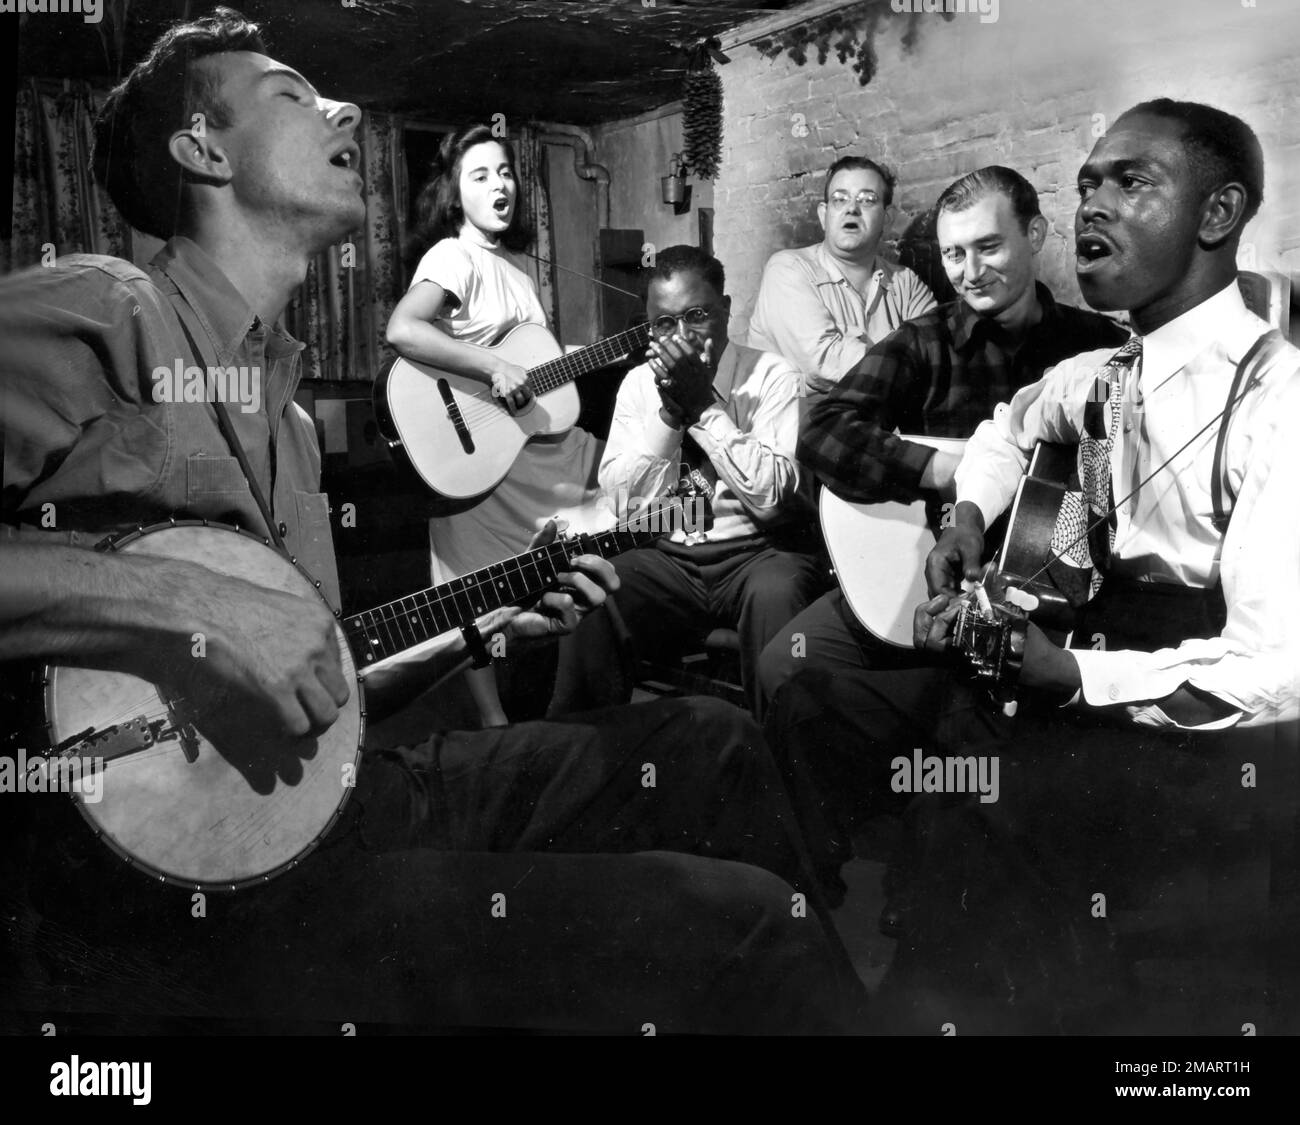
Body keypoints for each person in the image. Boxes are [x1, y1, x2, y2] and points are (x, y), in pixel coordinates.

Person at [0, 7, 861, 1035]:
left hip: (344, 791)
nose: (347, 107)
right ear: (202, 150)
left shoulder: (279, 402)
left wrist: (476, 630)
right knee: (746, 927)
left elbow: (319, 673)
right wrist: (195, 604)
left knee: (715, 740)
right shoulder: (104, 310)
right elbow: (236, 633)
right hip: (182, 873)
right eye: (287, 93)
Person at [769, 100, 1300, 1033]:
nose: (1095, 202)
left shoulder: (1275, 401)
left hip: (1186, 728)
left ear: (1217, 216)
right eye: (1089, 181)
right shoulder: (1099, 370)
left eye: (1130, 182)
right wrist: (969, 514)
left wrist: (1072, 674)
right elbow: (1003, 431)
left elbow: (1277, 669)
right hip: (1062, 670)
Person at [758, 166, 1128, 727]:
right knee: (783, 665)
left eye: (988, 247)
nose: (970, 273)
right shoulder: (922, 341)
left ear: (1034, 235)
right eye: (954, 255)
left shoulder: (1098, 346)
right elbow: (821, 431)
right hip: (927, 582)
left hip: (1057, 597)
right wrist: (944, 470)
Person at [386, 125, 614, 727]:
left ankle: (543, 714)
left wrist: (575, 359)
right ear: (455, 195)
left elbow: (525, 356)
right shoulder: (452, 255)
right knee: (471, 590)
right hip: (476, 455)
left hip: (521, 454)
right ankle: (492, 724)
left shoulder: (514, 265)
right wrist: (492, 365)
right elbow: (404, 330)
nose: (499, 185)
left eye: (506, 172)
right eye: (480, 175)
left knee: (538, 586)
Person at [546, 245, 827, 720]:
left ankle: (782, 757)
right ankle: (581, 748)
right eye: (663, 324)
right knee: (595, 591)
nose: (682, 336)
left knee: (781, 595)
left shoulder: (773, 375)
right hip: (669, 557)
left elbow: (773, 499)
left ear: (726, 311)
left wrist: (703, 407)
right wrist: (669, 416)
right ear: (649, 327)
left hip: (756, 554)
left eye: (696, 315)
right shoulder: (638, 384)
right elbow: (622, 505)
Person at [748, 155, 936, 397]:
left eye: (867, 200)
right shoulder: (787, 270)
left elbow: (936, 356)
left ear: (886, 219)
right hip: (798, 429)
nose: (851, 209)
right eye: (839, 199)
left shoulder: (906, 284)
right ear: (823, 215)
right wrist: (908, 365)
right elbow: (825, 363)